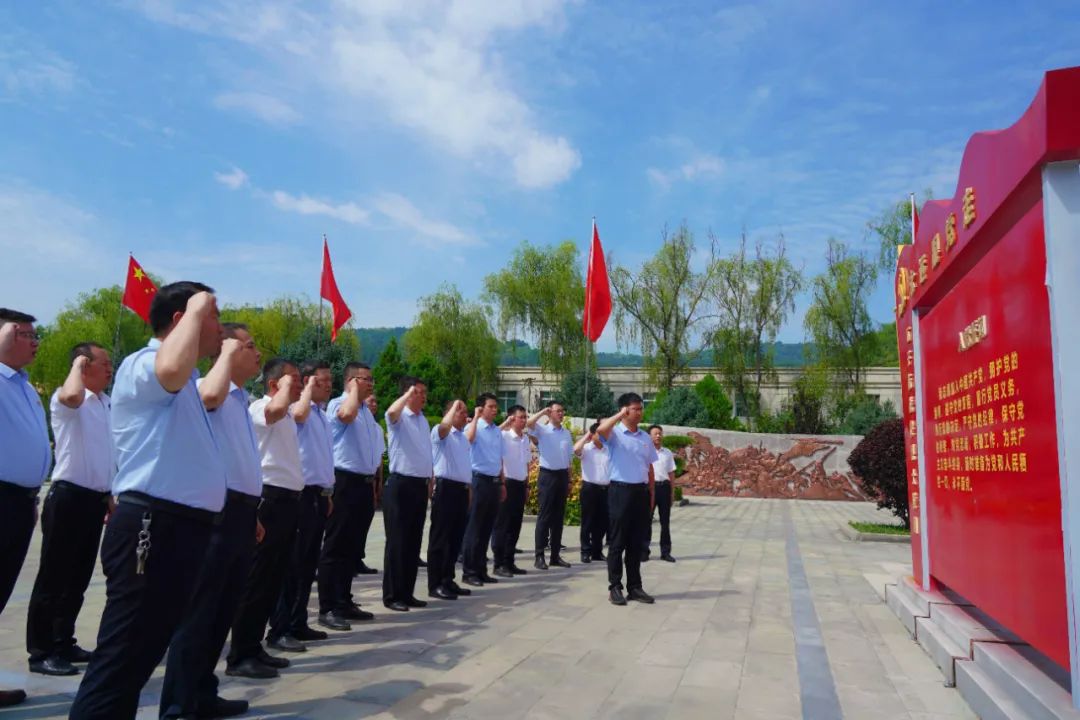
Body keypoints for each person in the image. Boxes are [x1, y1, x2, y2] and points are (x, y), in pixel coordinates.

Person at [69, 283, 227, 720]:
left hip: (181, 528)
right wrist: (198, 305)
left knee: (139, 658)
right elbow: (171, 367)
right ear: (181, 320)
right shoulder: (143, 364)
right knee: (121, 659)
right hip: (153, 526)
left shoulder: (186, 383)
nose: (220, 327)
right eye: (214, 316)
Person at [160, 322, 263, 719]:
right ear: (227, 350)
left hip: (241, 512)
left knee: (222, 611)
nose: (257, 353)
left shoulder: (240, 400)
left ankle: (203, 692)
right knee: (199, 612)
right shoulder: (209, 387)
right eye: (249, 345)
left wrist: (252, 511)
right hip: (217, 513)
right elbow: (208, 397)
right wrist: (226, 354)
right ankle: (178, 705)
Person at [26, 343, 114, 678]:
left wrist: (110, 492)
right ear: (84, 365)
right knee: (54, 577)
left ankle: (64, 641)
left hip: (95, 499)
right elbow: (73, 396)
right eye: (104, 363)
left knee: (77, 579)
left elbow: (107, 454)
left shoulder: (106, 403)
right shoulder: (68, 398)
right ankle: (41, 650)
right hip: (68, 498)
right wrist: (77, 363)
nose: (110, 369)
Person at [225, 358, 310, 680]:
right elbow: (273, 411)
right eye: (293, 379)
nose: (299, 384)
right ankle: (240, 654)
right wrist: (285, 390)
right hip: (270, 501)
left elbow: (295, 411)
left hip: (289, 502)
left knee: (274, 578)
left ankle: (254, 645)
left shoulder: (286, 413)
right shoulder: (261, 407)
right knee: (257, 578)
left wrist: (294, 390)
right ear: (274, 384)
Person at [0, 308, 50, 708]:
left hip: (19, 502)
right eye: (23, 334)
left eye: (35, 335)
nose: (34, 342)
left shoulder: (25, 386)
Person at [322, 362, 381, 636]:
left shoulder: (366, 413)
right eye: (365, 379)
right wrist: (354, 393)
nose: (370, 384)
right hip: (343, 481)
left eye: (371, 379)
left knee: (352, 548)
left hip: (363, 484)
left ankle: (344, 600)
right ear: (351, 380)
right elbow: (345, 416)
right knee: (336, 546)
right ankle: (328, 607)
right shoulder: (339, 404)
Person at [596, 393, 657, 606]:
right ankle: (615, 587)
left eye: (641, 408)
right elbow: (600, 430)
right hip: (620, 492)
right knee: (617, 542)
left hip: (640, 493)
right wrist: (619, 415)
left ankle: (635, 587)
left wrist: (651, 494)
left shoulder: (645, 438)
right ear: (624, 410)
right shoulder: (614, 434)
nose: (639, 412)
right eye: (635, 409)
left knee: (635, 543)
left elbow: (649, 467)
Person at [382, 376, 433, 612]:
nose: (423, 396)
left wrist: (430, 478)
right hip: (400, 485)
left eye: (424, 392)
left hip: (419, 485)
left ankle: (407, 592)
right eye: (418, 392)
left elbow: (426, 453)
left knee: (413, 541)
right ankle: (393, 595)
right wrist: (406, 395)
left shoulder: (423, 420)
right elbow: (390, 412)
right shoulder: (399, 417)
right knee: (397, 541)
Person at [426, 399, 474, 600]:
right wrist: (454, 405)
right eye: (461, 412)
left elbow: (465, 467)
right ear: (451, 413)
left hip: (461, 490)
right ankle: (435, 583)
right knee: (441, 538)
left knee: (455, 538)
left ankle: (448, 579)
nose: (465, 416)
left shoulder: (462, 438)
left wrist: (468, 490)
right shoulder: (441, 433)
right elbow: (444, 427)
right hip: (445, 489)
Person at [461, 393, 507, 586]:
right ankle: (469, 572)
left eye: (496, 406)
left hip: (494, 482)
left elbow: (499, 459)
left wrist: (502, 483)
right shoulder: (474, 427)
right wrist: (475, 417)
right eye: (491, 406)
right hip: (478, 480)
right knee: (474, 528)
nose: (495, 410)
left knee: (487, 528)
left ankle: (481, 570)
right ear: (481, 408)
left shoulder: (497, 431)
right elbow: (468, 440)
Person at [526, 401, 573, 570]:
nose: (561, 413)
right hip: (548, 476)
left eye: (562, 411)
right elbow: (528, 423)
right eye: (557, 411)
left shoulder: (566, 433)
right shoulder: (543, 430)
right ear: (550, 413)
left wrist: (569, 480)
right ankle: (539, 556)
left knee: (558, 519)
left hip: (562, 476)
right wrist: (542, 412)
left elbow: (569, 459)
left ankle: (555, 556)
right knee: (544, 517)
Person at [491, 405, 530, 578]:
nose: (524, 420)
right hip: (507, 484)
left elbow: (527, 464)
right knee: (502, 526)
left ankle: (509, 561)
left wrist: (527, 485)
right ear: (511, 418)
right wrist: (504, 424)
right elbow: (490, 436)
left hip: (520, 485)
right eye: (521, 417)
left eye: (525, 417)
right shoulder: (503, 436)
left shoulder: (525, 439)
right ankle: (498, 563)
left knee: (515, 525)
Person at [574, 422, 609, 565]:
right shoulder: (587, 448)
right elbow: (576, 449)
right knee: (587, 521)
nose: (602, 436)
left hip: (606, 489)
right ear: (593, 434)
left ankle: (597, 551)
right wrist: (587, 435)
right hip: (590, 488)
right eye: (599, 434)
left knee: (603, 522)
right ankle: (585, 551)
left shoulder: (608, 449)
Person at [646, 425, 677, 563]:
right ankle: (644, 551)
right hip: (650, 489)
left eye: (660, 433)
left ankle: (665, 552)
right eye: (655, 433)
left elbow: (671, 473)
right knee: (646, 521)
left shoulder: (667, 453)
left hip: (664, 488)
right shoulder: (646, 452)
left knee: (665, 522)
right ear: (649, 436)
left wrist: (672, 492)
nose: (658, 436)